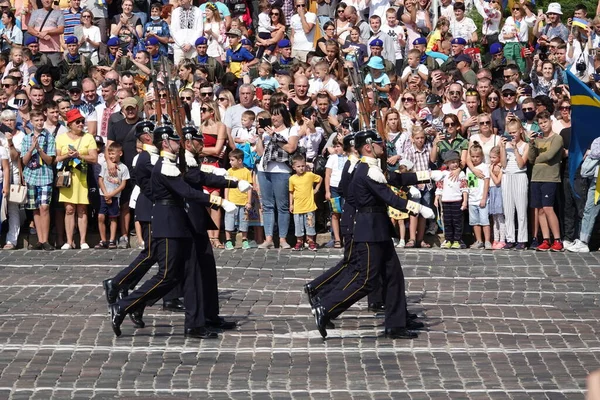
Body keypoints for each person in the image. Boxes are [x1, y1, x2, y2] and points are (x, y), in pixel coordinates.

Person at [109, 124, 234, 339]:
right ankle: (124, 305)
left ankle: (194, 324)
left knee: (186, 274)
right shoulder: (164, 166)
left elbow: (191, 179)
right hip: (168, 224)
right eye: (175, 140)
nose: (180, 144)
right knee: (167, 275)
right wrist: (217, 200)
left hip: (178, 223)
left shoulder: (171, 163)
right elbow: (185, 190)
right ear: (165, 142)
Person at [312, 129, 434, 340]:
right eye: (378, 143)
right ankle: (327, 308)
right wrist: (418, 208)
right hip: (368, 231)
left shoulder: (372, 168)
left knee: (393, 276)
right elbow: (389, 197)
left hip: (379, 229)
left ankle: (396, 324)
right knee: (366, 280)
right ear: (368, 146)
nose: (383, 146)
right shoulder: (367, 170)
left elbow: (395, 178)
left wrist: (428, 175)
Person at [55, 109, 98, 250]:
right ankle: (69, 240)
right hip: (67, 176)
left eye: (82, 121)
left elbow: (94, 158)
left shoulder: (88, 137)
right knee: (68, 209)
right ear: (70, 124)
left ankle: (83, 240)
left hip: (83, 177)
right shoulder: (61, 138)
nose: (81, 124)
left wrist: (79, 155)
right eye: (77, 122)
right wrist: (67, 155)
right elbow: (57, 158)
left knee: (82, 209)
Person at [527, 111, 564, 252]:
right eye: (540, 123)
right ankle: (546, 239)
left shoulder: (557, 138)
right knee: (540, 210)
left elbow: (550, 155)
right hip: (536, 177)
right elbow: (530, 158)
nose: (543, 125)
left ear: (550, 122)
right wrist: (531, 144)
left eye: (545, 122)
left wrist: (537, 159)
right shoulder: (537, 140)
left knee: (549, 208)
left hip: (550, 177)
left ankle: (557, 239)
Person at [21, 109, 56, 250]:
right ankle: (40, 240)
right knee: (35, 208)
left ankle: (45, 239)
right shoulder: (26, 138)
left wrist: (40, 149)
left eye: (41, 120)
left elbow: (50, 160)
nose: (40, 122)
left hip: (45, 175)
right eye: (36, 120)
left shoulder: (49, 137)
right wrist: (31, 148)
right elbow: (24, 161)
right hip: (31, 175)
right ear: (31, 122)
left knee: (44, 207)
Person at [500, 119, 529, 249]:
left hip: (519, 176)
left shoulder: (525, 145)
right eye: (510, 132)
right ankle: (510, 238)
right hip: (507, 176)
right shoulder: (506, 145)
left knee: (521, 209)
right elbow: (503, 164)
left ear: (520, 131)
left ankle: (522, 239)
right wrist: (502, 148)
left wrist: (516, 149)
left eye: (514, 132)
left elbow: (521, 163)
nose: (512, 135)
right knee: (508, 209)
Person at [568, 138, 600, 253]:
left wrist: (591, 152)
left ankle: (584, 241)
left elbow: (595, 151)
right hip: (597, 181)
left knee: (589, 210)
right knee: (589, 210)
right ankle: (583, 241)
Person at [96, 142, 129, 249]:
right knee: (101, 216)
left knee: (113, 217)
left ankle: (112, 240)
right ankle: (103, 240)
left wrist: (111, 195)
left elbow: (123, 184)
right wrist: (106, 193)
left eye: (113, 154)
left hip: (115, 196)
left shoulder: (123, 168)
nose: (110, 156)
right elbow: (100, 179)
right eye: (109, 154)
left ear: (120, 153)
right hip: (103, 195)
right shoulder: (105, 165)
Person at [435, 150, 468, 249]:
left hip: (457, 201)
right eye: (452, 162)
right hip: (445, 201)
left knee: (457, 221)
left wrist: (464, 201)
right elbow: (440, 187)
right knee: (447, 221)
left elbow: (464, 188)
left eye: (456, 162)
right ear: (447, 163)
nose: (455, 164)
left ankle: (457, 240)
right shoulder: (443, 174)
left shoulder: (461, 174)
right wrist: (436, 198)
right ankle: (448, 239)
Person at [289, 154, 322, 251]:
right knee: (298, 225)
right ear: (294, 167)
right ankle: (299, 241)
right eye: (298, 166)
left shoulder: (310, 175)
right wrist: (291, 204)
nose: (301, 168)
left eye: (303, 166)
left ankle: (310, 241)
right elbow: (291, 192)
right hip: (298, 207)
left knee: (310, 224)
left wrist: (316, 189)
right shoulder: (292, 178)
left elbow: (320, 179)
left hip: (309, 206)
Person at [224, 149, 253, 250]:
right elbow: (226, 186)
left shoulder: (247, 172)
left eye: (232, 160)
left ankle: (244, 240)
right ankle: (228, 240)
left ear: (239, 161)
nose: (230, 162)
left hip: (243, 202)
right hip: (232, 202)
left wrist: (249, 202)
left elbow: (249, 188)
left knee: (244, 221)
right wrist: (226, 200)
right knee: (229, 221)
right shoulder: (229, 172)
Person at [467, 142, 491, 249]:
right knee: (474, 222)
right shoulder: (469, 169)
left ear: (481, 156)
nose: (475, 159)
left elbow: (486, 183)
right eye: (473, 157)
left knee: (484, 221)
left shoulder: (484, 167)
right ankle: (479, 240)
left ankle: (487, 241)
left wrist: (484, 198)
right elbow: (469, 184)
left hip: (482, 199)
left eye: (477, 156)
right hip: (472, 199)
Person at [324, 136, 347, 249]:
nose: (336, 149)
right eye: (335, 146)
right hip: (334, 188)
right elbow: (327, 175)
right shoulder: (332, 158)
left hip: (346, 189)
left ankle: (348, 237)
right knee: (335, 212)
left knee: (347, 212)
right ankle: (337, 238)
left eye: (338, 146)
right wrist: (327, 191)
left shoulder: (349, 157)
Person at [27, 0, 65, 65]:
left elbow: (61, 29)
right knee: (39, 71)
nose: (47, 1)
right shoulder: (35, 13)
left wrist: (47, 32)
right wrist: (40, 35)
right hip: (38, 50)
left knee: (54, 71)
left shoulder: (59, 13)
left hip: (54, 50)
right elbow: (30, 29)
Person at [488, 145, 505, 250]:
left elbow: (497, 181)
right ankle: (496, 238)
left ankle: (502, 240)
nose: (492, 160)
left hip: (498, 191)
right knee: (494, 218)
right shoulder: (492, 165)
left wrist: (490, 171)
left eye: (494, 157)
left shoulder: (500, 167)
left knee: (500, 218)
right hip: (492, 191)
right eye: (490, 157)